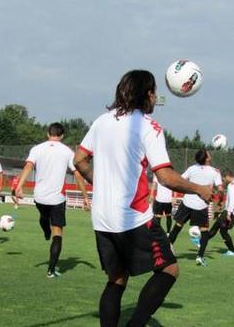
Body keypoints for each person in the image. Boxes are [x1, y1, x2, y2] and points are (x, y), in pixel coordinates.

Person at [73, 70, 213, 327]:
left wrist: (102, 182)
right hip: (133, 217)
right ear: (147, 94)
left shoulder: (102, 121)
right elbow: (166, 177)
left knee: (116, 279)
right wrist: (200, 189)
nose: (155, 97)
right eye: (154, 92)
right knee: (170, 269)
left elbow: (79, 160)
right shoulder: (149, 126)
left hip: (102, 218)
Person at [15, 123, 89, 278]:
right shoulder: (67, 152)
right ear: (62, 136)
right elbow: (77, 175)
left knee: (43, 217)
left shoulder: (37, 149)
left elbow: (28, 166)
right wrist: (85, 197)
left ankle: (45, 231)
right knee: (58, 233)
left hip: (39, 196)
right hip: (57, 198)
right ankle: (51, 270)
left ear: (48, 133)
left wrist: (19, 187)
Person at [166, 149, 223, 266]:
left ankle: (166, 252)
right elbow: (221, 190)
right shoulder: (215, 172)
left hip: (187, 202)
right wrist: (214, 194)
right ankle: (200, 256)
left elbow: (180, 181)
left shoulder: (192, 168)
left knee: (177, 227)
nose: (210, 154)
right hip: (201, 206)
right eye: (208, 153)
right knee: (204, 232)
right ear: (207, 158)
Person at [206, 169, 234, 257]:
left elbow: (232, 201)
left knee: (219, 228)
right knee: (221, 230)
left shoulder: (231, 185)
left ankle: (202, 241)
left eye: (223, 179)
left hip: (231, 212)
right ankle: (232, 251)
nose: (223, 181)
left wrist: (229, 213)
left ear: (227, 177)